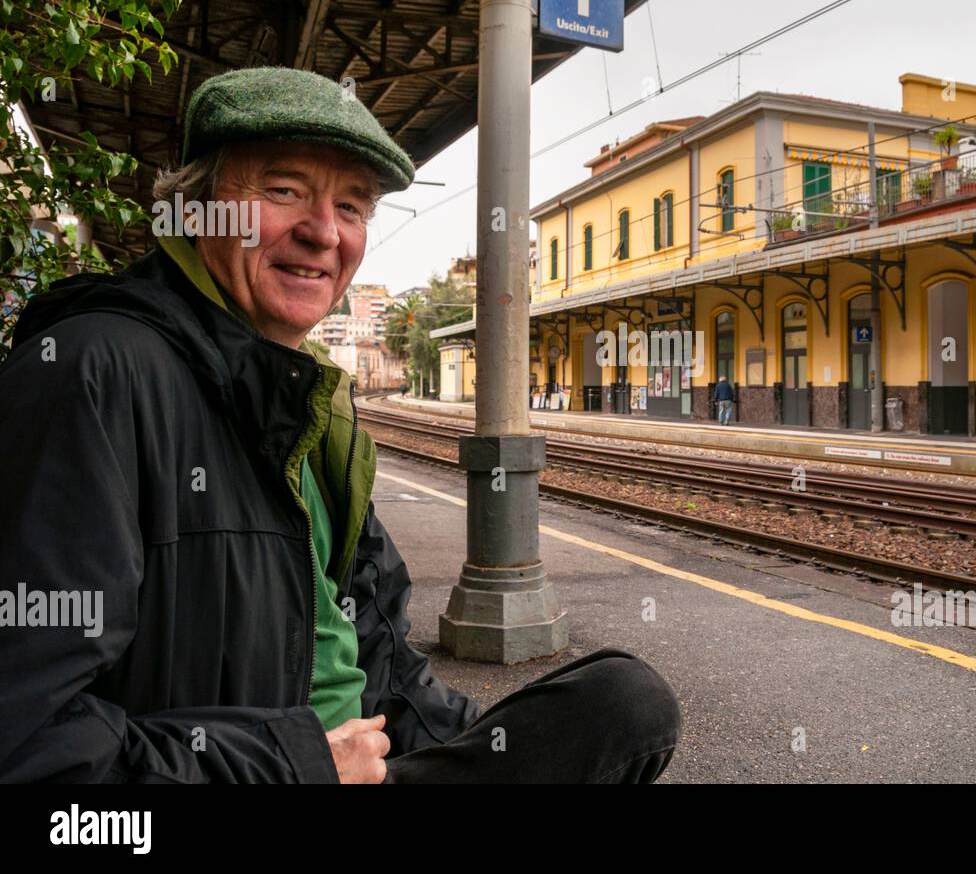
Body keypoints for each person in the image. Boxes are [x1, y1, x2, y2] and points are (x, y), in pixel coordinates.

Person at [0, 67, 680, 784]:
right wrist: (299, 766)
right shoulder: (88, 374)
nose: (324, 232)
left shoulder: (314, 414)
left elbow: (381, 669)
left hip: (359, 767)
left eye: (352, 206)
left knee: (626, 706)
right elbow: (27, 746)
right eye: (283, 189)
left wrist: (484, 747)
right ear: (196, 208)